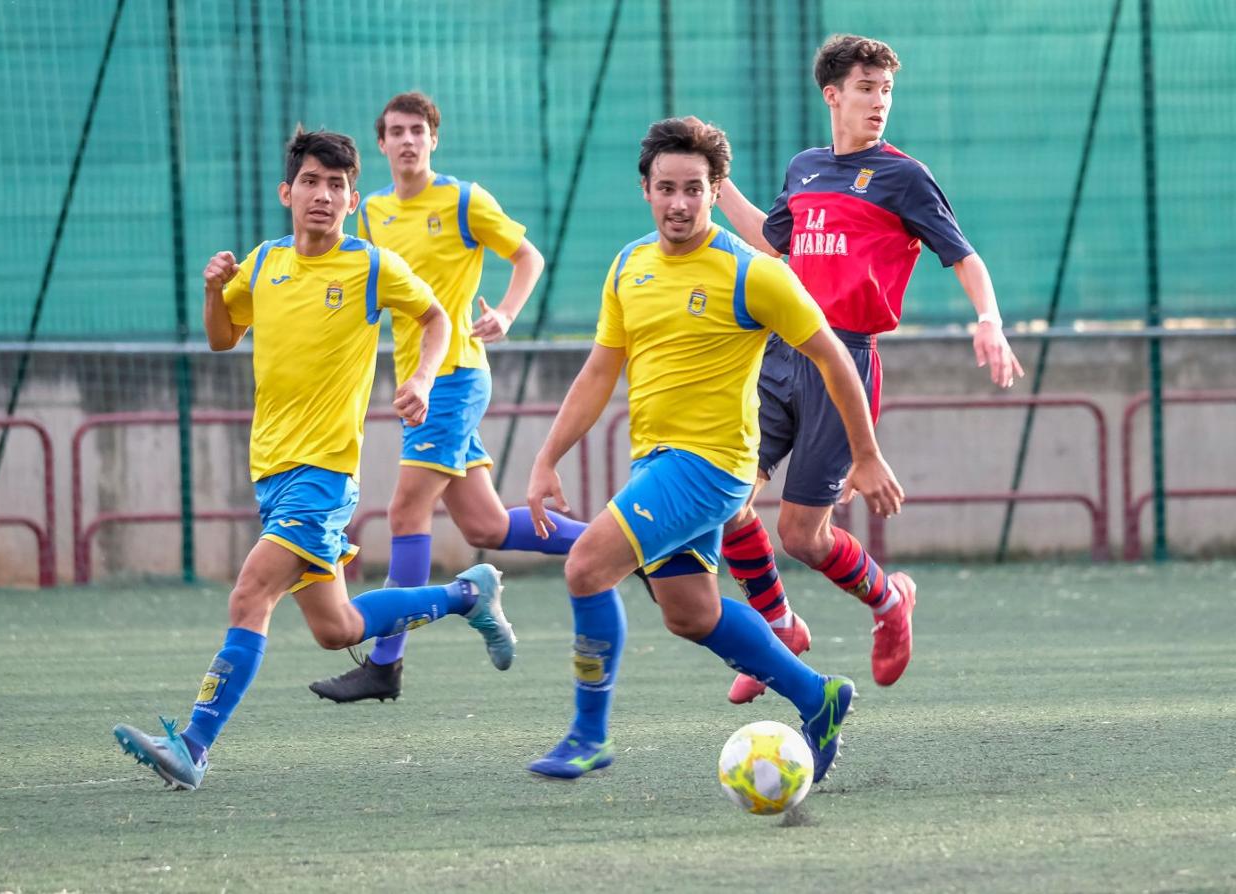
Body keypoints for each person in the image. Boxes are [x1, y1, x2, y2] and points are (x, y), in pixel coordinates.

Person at [111, 128, 516, 791]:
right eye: (311, 182)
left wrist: (420, 377)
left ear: (353, 199)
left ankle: (194, 745)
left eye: (336, 185)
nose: (323, 195)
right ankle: (467, 594)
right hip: (270, 473)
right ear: (287, 192)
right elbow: (221, 339)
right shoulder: (265, 263)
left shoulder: (370, 266)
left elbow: (437, 317)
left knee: (250, 594)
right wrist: (215, 291)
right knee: (340, 628)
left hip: (324, 477)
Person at [523, 116, 904, 782]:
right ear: (646, 189)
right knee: (690, 614)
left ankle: (588, 736)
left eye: (694, 189)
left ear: (715, 188)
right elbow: (597, 372)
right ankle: (818, 697)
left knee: (586, 567)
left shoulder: (752, 273)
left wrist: (866, 453)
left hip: (712, 465)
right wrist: (546, 457)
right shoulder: (629, 265)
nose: (679, 203)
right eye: (666, 188)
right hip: (658, 460)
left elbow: (835, 357)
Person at [715, 34, 1026, 703]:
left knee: (802, 536)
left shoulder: (903, 177)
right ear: (833, 95)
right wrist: (719, 188)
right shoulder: (804, 168)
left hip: (844, 360)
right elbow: (774, 246)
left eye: (885, 89)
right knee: (725, 507)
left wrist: (989, 320)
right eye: (865, 88)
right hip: (775, 355)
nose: (878, 101)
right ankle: (779, 627)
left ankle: (889, 601)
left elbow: (963, 257)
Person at [308, 92, 586, 704]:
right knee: (483, 522)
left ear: (434, 140)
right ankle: (613, 543)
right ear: (380, 145)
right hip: (418, 380)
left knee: (406, 513)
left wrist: (508, 313)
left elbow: (527, 256)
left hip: (455, 375)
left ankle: (385, 664)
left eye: (418, 131)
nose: (408, 140)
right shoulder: (372, 213)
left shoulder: (463, 200)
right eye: (396, 132)